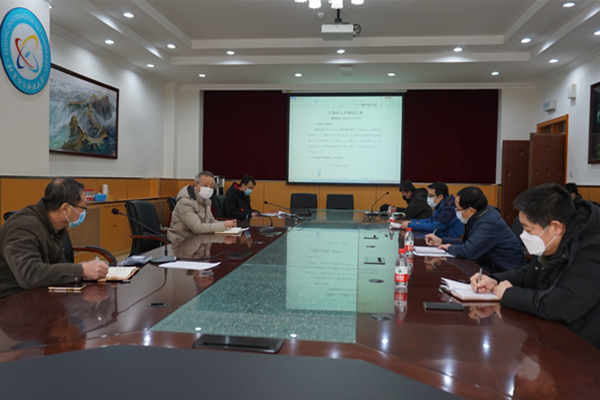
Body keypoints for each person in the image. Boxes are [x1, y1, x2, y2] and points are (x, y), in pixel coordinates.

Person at [471, 183, 600, 348]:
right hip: (557, 335)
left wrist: (509, 294)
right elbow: (531, 272)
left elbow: (561, 305)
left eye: (529, 230)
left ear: (556, 227)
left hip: (586, 348)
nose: (524, 236)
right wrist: (495, 280)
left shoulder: (593, 248)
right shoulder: (555, 240)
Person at [0, 178, 109, 299]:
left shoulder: (56, 226)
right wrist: (81, 270)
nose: (84, 212)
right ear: (65, 209)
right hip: (11, 300)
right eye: (83, 208)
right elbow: (29, 275)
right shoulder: (21, 228)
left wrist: (81, 270)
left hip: (41, 293)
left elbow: (54, 265)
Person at [425, 186, 525, 272]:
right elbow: (470, 243)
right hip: (491, 269)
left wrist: (449, 248)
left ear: (471, 210)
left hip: (506, 273)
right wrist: (441, 241)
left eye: (458, 209)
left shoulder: (488, 223)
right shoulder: (481, 216)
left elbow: (468, 251)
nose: (456, 212)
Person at [167, 171, 236, 242]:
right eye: (205, 185)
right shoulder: (185, 202)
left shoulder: (206, 201)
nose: (208, 189)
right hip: (182, 242)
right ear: (196, 186)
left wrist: (228, 225)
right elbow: (197, 228)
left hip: (199, 240)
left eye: (211, 186)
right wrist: (223, 225)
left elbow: (212, 221)